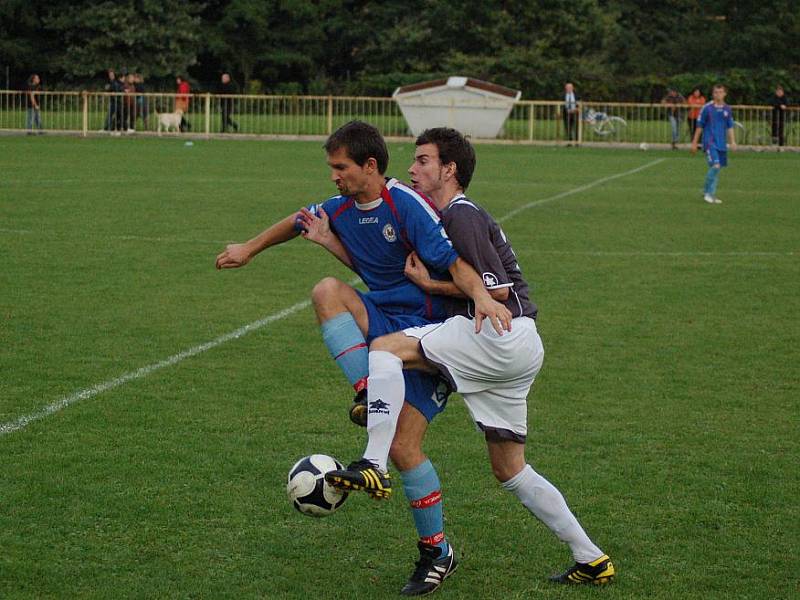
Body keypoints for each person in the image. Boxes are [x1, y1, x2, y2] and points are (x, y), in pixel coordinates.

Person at [306, 128, 614, 595]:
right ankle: (591, 559)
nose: (412, 169)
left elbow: (494, 291)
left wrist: (434, 289)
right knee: (510, 469)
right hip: (513, 348)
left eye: (424, 161)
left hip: (496, 336)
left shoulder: (461, 215)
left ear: (449, 170)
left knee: (385, 348)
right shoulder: (441, 216)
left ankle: (372, 461)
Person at [691, 84, 736, 204]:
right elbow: (699, 126)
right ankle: (707, 193)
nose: (718, 94)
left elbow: (730, 126)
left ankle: (710, 193)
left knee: (717, 168)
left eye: (720, 92)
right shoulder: (707, 108)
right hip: (710, 142)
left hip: (721, 143)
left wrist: (732, 141)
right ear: (713, 94)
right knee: (715, 166)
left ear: (725, 94)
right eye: (716, 92)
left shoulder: (727, 109)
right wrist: (695, 143)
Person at [102, 69, 124, 134]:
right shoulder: (108, 82)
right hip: (113, 101)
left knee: (120, 115)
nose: (111, 76)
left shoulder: (116, 82)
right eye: (110, 75)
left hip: (118, 100)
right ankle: (107, 128)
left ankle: (121, 127)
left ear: (114, 75)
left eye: (112, 74)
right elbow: (107, 89)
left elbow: (120, 88)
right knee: (110, 114)